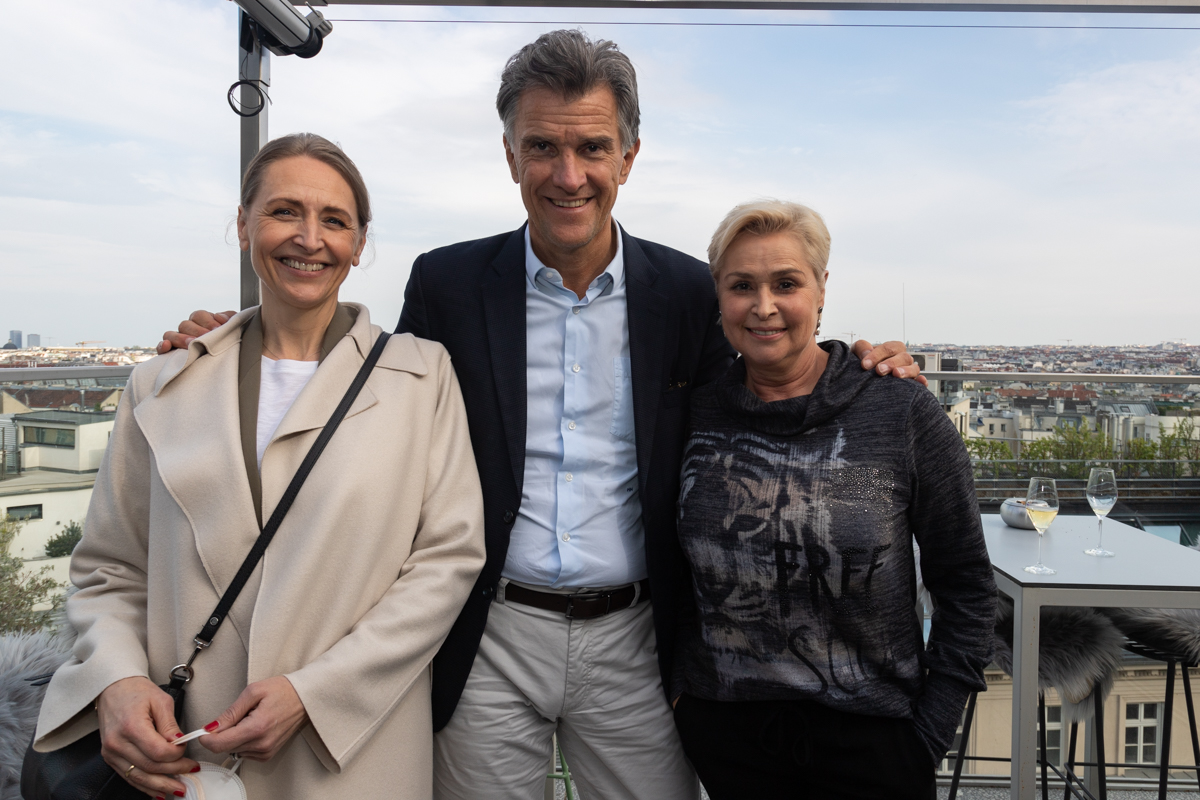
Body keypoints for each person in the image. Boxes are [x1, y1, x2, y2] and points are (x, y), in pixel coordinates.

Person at [160, 32, 921, 800]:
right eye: (542, 147)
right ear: (509, 154)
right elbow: (364, 391)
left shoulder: (689, 293)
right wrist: (231, 339)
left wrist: (860, 364)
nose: (568, 175)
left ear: (628, 158)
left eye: (593, 147)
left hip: (638, 636)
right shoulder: (449, 284)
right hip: (487, 637)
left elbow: (767, 389)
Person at [32, 133, 486, 800]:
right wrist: (118, 681)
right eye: (283, 212)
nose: (309, 238)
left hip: (353, 753)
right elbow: (110, 568)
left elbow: (447, 562)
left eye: (334, 220)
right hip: (183, 756)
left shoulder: (422, 378)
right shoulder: (159, 385)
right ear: (242, 224)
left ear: (359, 245)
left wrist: (316, 694)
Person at [670, 199, 997, 799]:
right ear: (719, 298)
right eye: (742, 285)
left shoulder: (900, 411)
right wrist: (687, 702)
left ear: (821, 291)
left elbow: (967, 585)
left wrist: (927, 734)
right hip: (726, 738)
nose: (764, 306)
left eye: (786, 283)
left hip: (875, 741)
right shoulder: (693, 412)